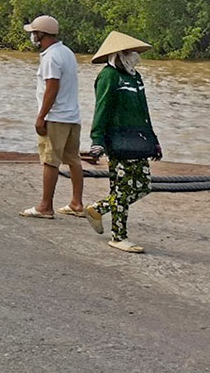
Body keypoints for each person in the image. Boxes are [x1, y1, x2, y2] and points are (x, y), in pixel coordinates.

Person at [85, 31, 161, 253]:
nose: (134, 56)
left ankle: (98, 209)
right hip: (118, 142)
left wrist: (153, 139)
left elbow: (143, 110)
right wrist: (97, 140)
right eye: (129, 52)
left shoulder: (135, 76)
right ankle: (118, 236)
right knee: (121, 189)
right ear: (118, 54)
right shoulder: (108, 76)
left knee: (143, 186)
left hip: (138, 140)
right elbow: (102, 108)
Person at [19, 15, 85, 220]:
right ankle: (77, 203)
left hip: (55, 117)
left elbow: (52, 88)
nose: (32, 36)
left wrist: (41, 116)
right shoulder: (67, 53)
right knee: (74, 160)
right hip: (72, 116)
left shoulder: (50, 56)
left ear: (41, 35)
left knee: (50, 161)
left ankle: (45, 206)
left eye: (34, 33)